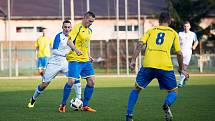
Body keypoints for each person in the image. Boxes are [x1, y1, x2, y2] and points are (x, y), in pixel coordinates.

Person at [125, 12, 189, 121]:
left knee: (136, 89)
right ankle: (167, 104)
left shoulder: (151, 31)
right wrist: (181, 68)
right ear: (170, 21)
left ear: (159, 21)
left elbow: (140, 44)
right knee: (173, 91)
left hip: (148, 64)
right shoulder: (173, 33)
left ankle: (129, 116)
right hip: (165, 66)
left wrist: (133, 60)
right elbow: (179, 53)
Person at [28, 20, 82, 108]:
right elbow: (54, 50)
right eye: (65, 27)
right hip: (55, 63)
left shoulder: (74, 37)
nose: (67, 29)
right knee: (45, 84)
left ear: (71, 28)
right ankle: (33, 98)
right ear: (62, 28)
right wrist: (64, 54)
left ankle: (79, 100)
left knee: (75, 78)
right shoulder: (59, 36)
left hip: (66, 62)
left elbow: (77, 48)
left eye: (69, 27)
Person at [58, 11, 96, 113]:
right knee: (71, 81)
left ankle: (85, 105)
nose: (91, 23)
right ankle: (62, 105)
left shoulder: (90, 30)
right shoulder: (77, 27)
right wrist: (75, 49)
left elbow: (87, 44)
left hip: (85, 60)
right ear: (85, 18)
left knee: (92, 82)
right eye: (90, 21)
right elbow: (69, 41)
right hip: (75, 58)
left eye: (92, 21)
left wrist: (89, 55)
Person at [178, 21, 198, 88]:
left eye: (187, 26)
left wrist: (194, 46)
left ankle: (180, 82)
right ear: (183, 27)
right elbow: (177, 42)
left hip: (188, 53)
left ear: (190, 27)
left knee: (183, 67)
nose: (186, 27)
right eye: (185, 26)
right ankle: (186, 77)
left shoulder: (193, 34)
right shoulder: (180, 33)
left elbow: (196, 41)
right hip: (181, 53)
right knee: (180, 69)